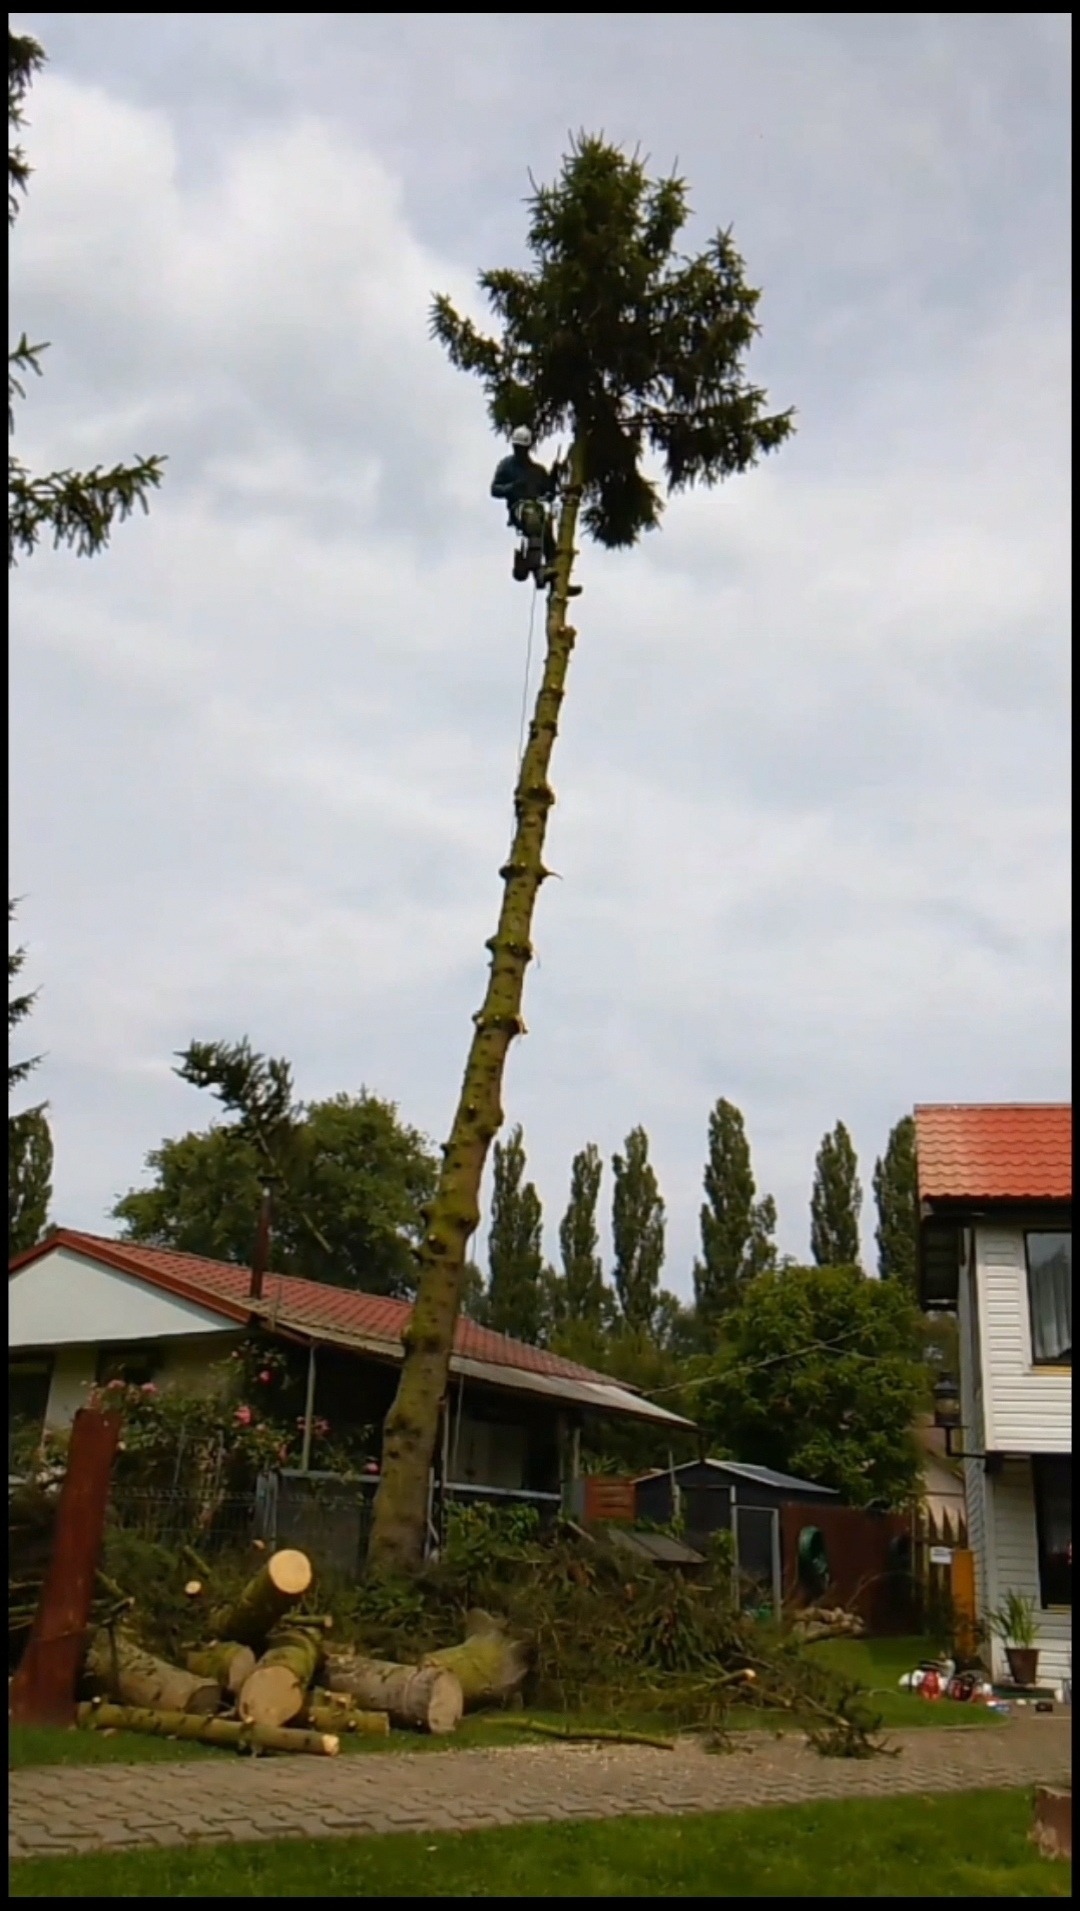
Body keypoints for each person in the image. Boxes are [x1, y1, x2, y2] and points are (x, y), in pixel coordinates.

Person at [490, 427, 580, 592]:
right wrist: (512, 488)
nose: (519, 452)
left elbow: (549, 494)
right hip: (519, 509)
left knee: (549, 540)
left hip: (538, 510)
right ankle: (538, 571)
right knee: (533, 521)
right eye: (517, 448)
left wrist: (553, 477)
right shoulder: (507, 466)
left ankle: (559, 584)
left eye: (522, 448)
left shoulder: (537, 471)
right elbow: (495, 489)